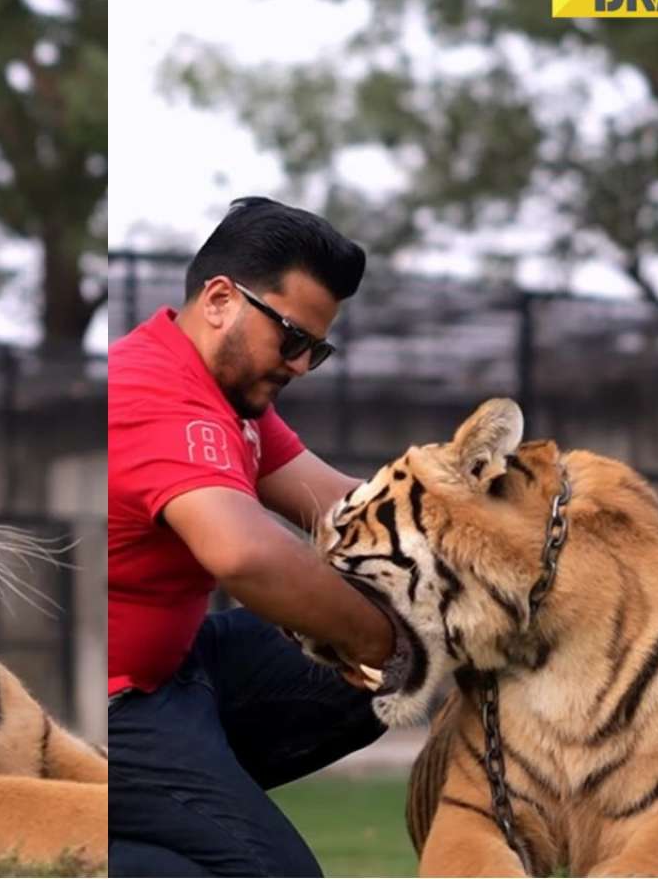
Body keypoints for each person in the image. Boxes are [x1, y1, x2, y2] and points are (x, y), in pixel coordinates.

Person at [107, 197, 396, 877]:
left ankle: (165, 825)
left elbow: (341, 508)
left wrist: (481, 542)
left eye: (316, 351)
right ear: (218, 299)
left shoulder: (227, 393)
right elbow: (246, 556)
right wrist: (382, 639)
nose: (299, 365)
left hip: (179, 672)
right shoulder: (151, 388)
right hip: (120, 708)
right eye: (292, 339)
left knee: (397, 650)